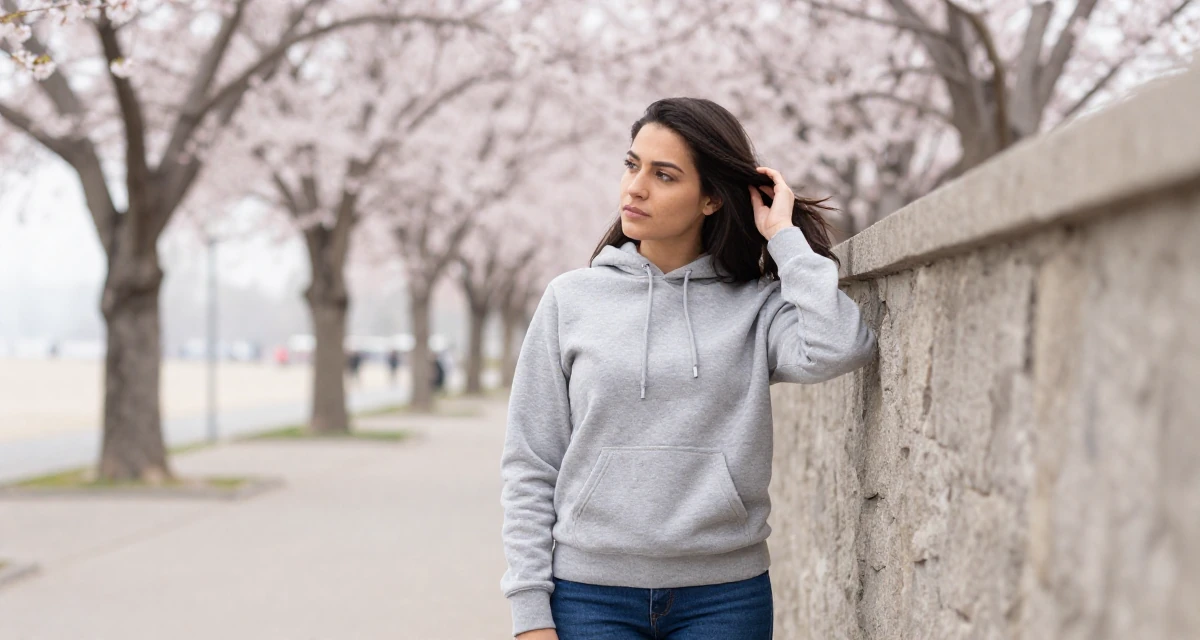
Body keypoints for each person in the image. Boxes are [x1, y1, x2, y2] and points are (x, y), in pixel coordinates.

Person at [499, 98, 878, 640]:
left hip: (725, 595)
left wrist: (784, 239)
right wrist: (529, 613)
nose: (635, 187)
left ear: (709, 198)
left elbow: (842, 346)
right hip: (588, 594)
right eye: (632, 165)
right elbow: (530, 462)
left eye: (664, 175)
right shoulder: (571, 300)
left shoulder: (756, 305)